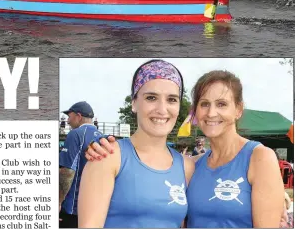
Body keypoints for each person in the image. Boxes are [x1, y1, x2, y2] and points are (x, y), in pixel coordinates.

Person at [85, 70, 285, 228]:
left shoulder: (259, 157)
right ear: (195, 112)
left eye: (222, 104)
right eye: (204, 104)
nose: (211, 113)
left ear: (239, 110)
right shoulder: (192, 166)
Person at [77, 59, 194, 228]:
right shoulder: (108, 156)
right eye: (151, 98)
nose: (162, 109)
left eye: (172, 99)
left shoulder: (187, 166)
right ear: (134, 103)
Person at [59, 101, 103, 228]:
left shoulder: (76, 134)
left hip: (73, 209)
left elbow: (67, 171)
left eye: (70, 116)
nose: (68, 121)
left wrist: (58, 201)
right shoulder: (103, 137)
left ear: (78, 116)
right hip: (94, 209)